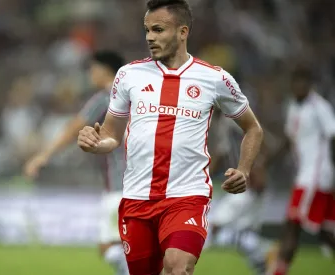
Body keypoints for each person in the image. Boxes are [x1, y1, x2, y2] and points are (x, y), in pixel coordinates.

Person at [77, 1, 264, 274]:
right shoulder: (128, 75)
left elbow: (253, 128)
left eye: (158, 29)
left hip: (187, 197)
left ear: (182, 32)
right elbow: (110, 135)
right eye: (147, 30)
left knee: (178, 267)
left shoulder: (214, 78)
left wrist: (244, 170)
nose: (150, 37)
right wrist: (94, 143)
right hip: (137, 198)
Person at [24, 50, 129, 275]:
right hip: (145, 182)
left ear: (104, 69)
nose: (90, 74)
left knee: (109, 246)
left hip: (120, 185)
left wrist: (44, 155)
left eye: (92, 69)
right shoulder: (137, 95)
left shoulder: (106, 96)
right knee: (125, 246)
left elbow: (75, 127)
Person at [269, 64, 335, 275]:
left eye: (303, 82)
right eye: (295, 82)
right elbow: (288, 141)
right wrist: (264, 162)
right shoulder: (293, 107)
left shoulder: (319, 107)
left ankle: (278, 271)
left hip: (315, 176)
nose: (298, 86)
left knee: (292, 223)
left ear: (310, 84)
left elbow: (333, 137)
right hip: (306, 175)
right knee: (324, 230)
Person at [205, 111, 273, 274]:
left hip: (247, 185)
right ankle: (264, 259)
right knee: (241, 232)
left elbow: (258, 138)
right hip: (244, 186)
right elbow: (222, 154)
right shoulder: (226, 122)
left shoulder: (234, 120)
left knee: (214, 226)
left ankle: (265, 249)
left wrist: (256, 169)